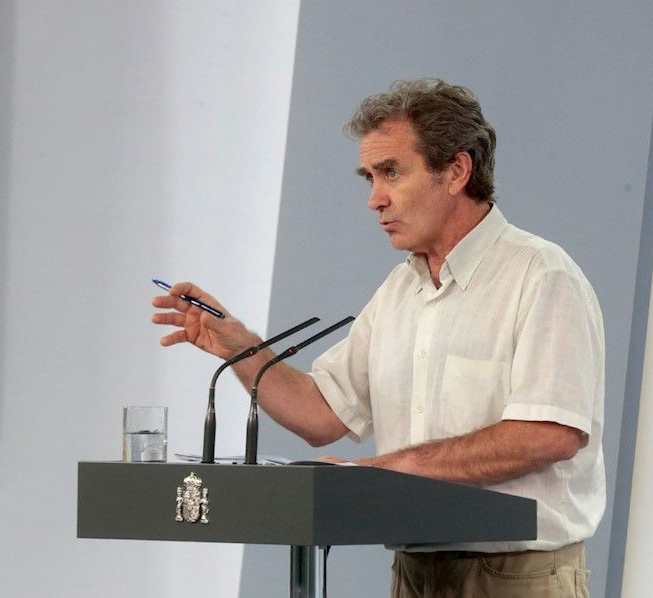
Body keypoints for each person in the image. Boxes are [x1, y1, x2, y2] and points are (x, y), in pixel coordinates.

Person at [152, 79, 604, 598]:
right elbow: (323, 414)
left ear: (457, 171)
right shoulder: (399, 290)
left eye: (391, 172)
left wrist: (385, 469)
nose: (375, 199)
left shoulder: (541, 275)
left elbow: (548, 434)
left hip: (516, 575)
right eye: (369, 177)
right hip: (414, 571)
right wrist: (241, 350)